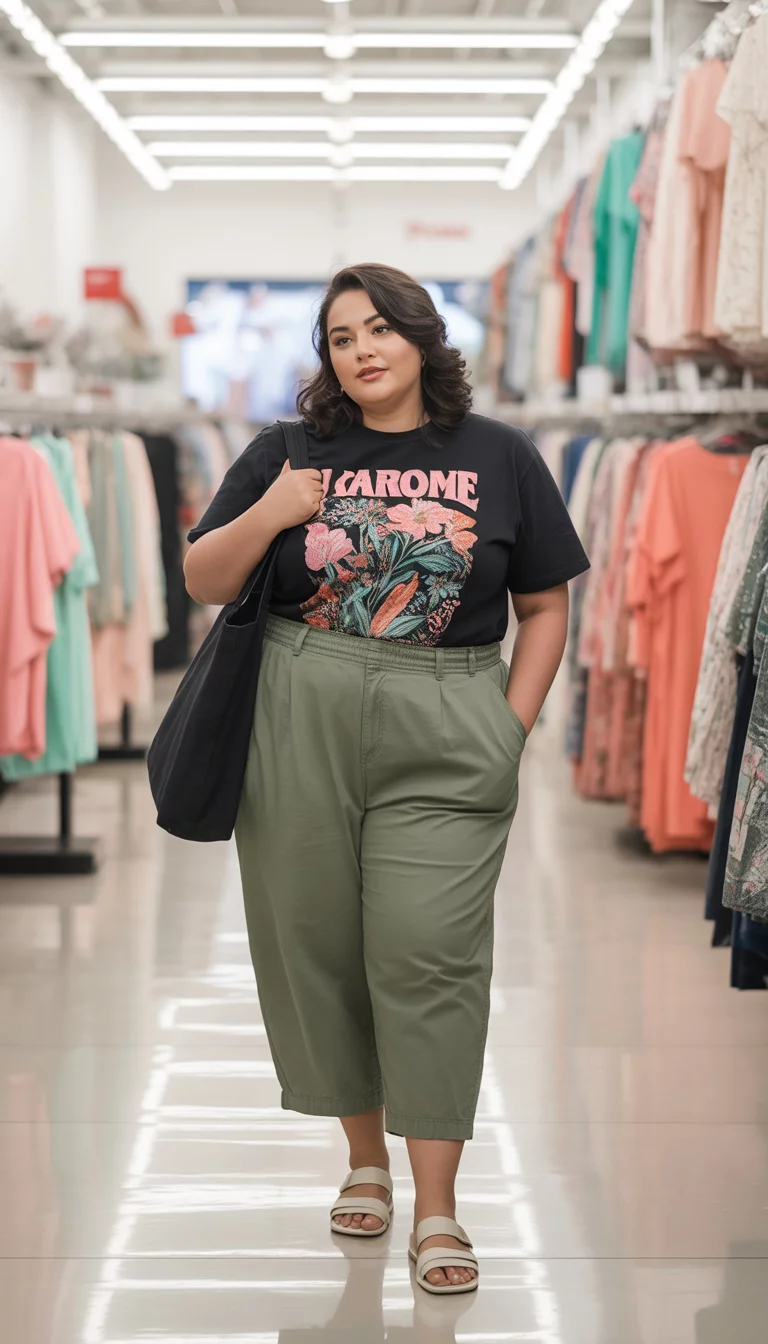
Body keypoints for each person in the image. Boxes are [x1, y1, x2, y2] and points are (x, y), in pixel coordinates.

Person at [183, 263, 589, 1296]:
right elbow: (205, 578)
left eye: (379, 330)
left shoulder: (499, 454)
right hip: (300, 710)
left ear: (421, 337)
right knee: (317, 942)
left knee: (428, 951)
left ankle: (440, 1205)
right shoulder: (286, 452)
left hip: (450, 717)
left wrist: (509, 729)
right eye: (338, 337)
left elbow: (546, 607)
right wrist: (274, 508)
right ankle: (363, 1158)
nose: (360, 350)